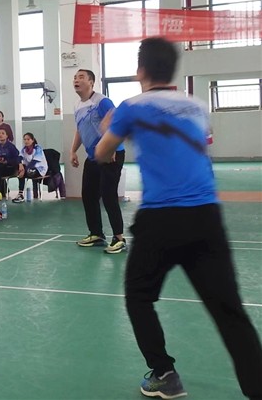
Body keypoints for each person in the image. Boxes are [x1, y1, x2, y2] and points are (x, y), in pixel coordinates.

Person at [95, 37, 262, 400]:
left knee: (139, 296)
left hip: (161, 219)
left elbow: (102, 153)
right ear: (173, 69)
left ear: (140, 70)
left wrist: (108, 126)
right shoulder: (197, 106)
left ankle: (164, 374)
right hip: (207, 218)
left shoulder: (130, 107)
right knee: (229, 310)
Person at [71, 68, 126, 253]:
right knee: (88, 195)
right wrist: (73, 151)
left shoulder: (102, 101)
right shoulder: (77, 105)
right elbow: (80, 130)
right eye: (75, 77)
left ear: (91, 82)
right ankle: (96, 234)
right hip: (93, 156)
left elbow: (117, 124)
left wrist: (111, 147)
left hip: (111, 154)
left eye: (81, 77)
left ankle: (119, 238)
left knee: (108, 195)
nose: (76, 80)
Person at [12, 132, 48, 203]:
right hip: (28, 169)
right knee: (19, 170)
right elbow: (19, 158)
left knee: (27, 172)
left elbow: (33, 162)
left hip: (39, 169)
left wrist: (23, 170)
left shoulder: (38, 148)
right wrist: (20, 164)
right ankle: (20, 194)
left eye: (28, 139)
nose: (26, 141)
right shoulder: (24, 149)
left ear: (32, 140)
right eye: (25, 139)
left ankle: (22, 193)